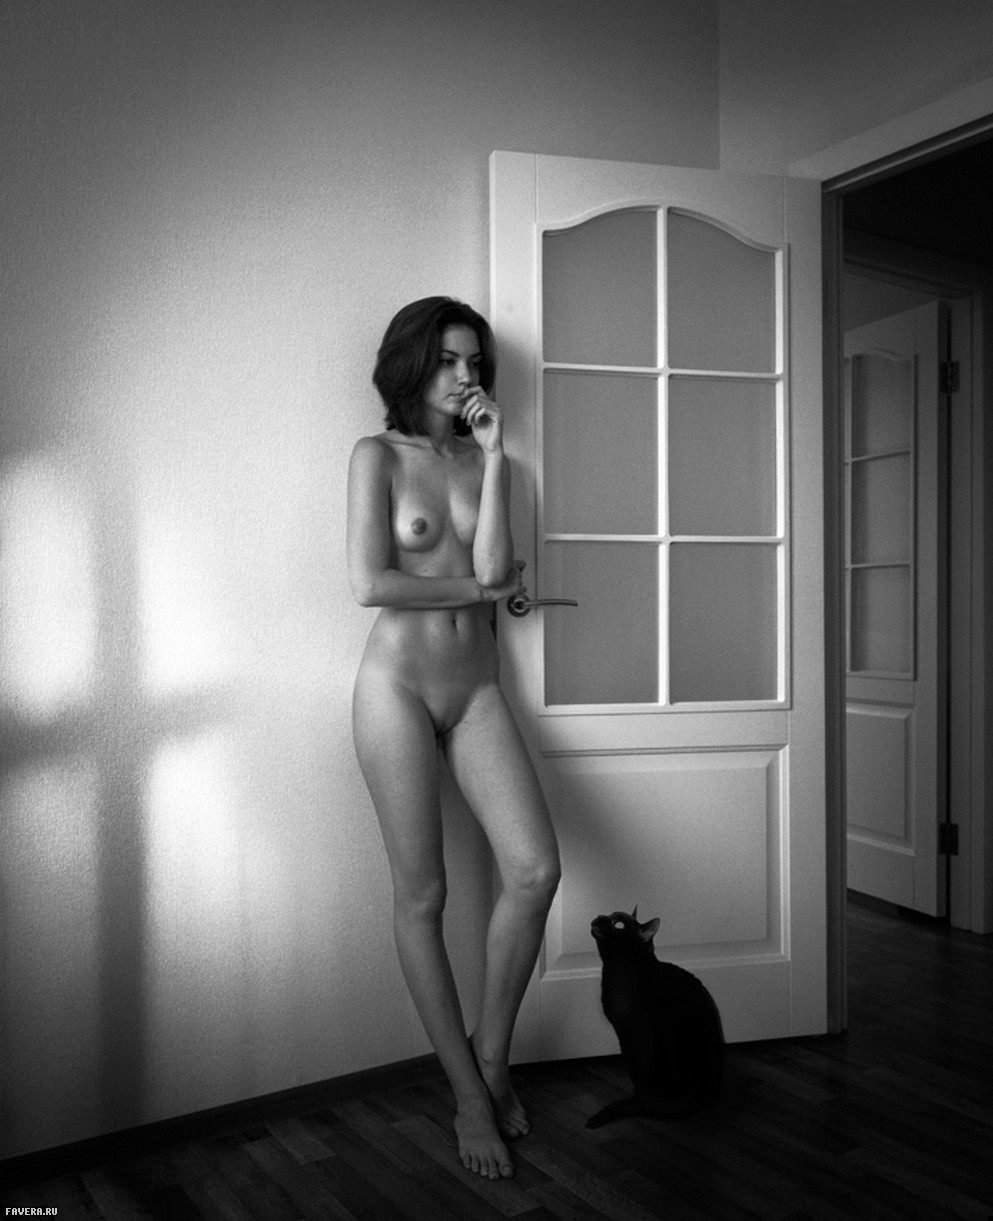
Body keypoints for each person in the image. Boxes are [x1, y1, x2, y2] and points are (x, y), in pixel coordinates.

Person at [347, 297, 560, 1180]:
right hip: (395, 688)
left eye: (474, 360)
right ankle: (468, 1096)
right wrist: (476, 591)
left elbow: (497, 568)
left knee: (534, 870)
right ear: (411, 365)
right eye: (446, 359)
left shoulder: (489, 461)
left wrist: (498, 454)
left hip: (477, 689)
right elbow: (371, 582)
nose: (465, 375)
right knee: (423, 896)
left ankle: (492, 1057)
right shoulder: (376, 456)